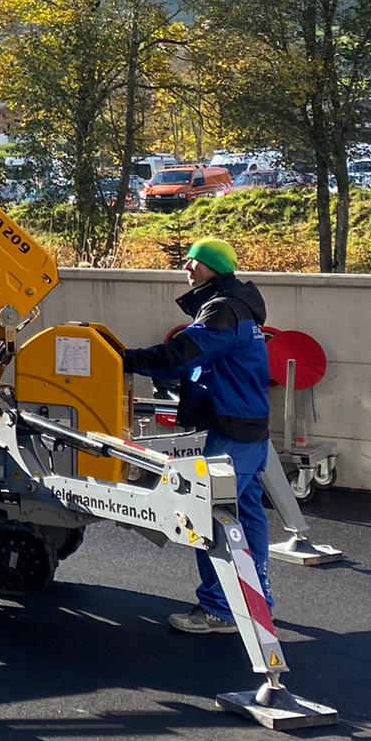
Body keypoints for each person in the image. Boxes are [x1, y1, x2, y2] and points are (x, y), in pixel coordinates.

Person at [121, 236, 272, 636]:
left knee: (211, 518)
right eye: (186, 260)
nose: (187, 267)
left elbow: (180, 356)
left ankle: (220, 609)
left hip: (231, 429)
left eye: (196, 262)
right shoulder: (238, 308)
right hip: (248, 426)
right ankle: (257, 601)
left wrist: (123, 357)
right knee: (247, 514)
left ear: (216, 269)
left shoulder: (222, 311)